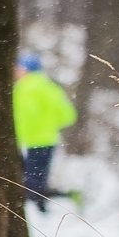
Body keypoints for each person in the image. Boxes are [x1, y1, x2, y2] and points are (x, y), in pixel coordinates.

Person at [13, 52, 77, 212]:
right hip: (47, 139)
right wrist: (48, 124)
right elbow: (68, 115)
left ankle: (36, 210)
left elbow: (22, 116)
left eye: (18, 68)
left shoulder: (23, 87)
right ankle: (41, 208)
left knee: (29, 180)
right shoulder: (49, 86)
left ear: (25, 69)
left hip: (26, 141)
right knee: (38, 178)